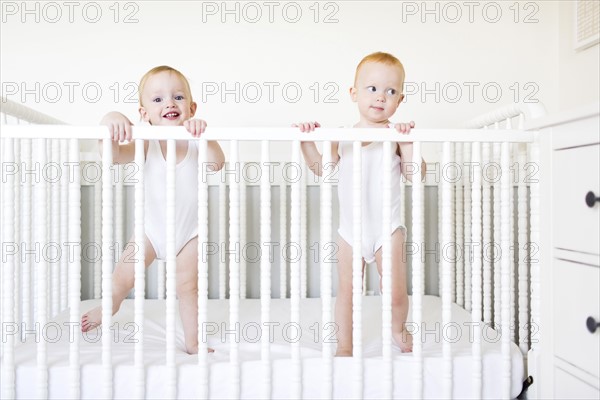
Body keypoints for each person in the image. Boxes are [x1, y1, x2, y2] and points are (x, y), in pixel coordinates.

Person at [81, 66, 225, 354]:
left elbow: (217, 163)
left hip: (190, 235)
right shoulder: (144, 144)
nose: (170, 103)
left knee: (189, 289)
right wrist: (110, 122)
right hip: (149, 232)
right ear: (144, 114)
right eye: (157, 100)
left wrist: (205, 136)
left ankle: (194, 341)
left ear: (192, 108)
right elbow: (111, 155)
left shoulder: (198, 143)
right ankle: (111, 304)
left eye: (178, 97)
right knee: (122, 277)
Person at [295, 52, 426, 355]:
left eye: (391, 91)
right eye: (372, 89)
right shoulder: (340, 137)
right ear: (354, 93)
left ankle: (397, 328)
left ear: (400, 99)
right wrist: (306, 143)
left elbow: (415, 175)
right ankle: (345, 344)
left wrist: (408, 148)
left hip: (387, 229)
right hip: (349, 233)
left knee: (394, 291)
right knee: (348, 292)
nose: (381, 97)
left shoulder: (396, 135)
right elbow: (320, 168)